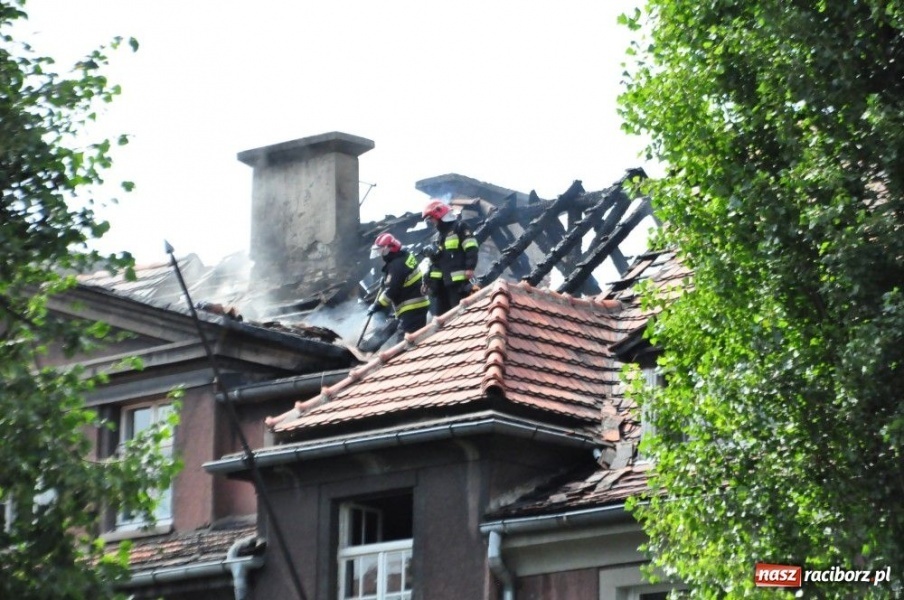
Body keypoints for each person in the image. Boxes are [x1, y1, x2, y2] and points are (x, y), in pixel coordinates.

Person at [421, 199, 479, 316]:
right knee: (441, 319)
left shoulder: (460, 227)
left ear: (439, 214)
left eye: (431, 218)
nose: (431, 222)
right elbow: (435, 263)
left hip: (457, 283)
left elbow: (471, 246)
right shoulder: (438, 237)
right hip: (441, 285)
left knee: (459, 315)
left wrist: (470, 267)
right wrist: (427, 281)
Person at [366, 232, 430, 334]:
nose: (380, 255)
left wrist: (377, 305)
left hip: (411, 307)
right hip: (417, 304)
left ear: (390, 248)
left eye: (382, 251)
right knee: (411, 339)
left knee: (405, 343)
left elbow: (392, 290)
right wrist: (387, 279)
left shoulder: (396, 265)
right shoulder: (404, 255)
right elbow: (402, 278)